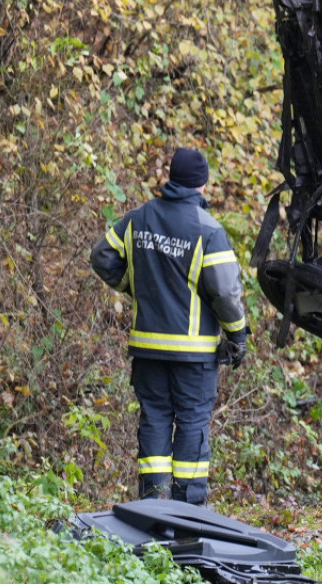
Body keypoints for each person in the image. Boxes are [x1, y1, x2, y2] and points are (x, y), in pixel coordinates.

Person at [90, 147, 248, 505]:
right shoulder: (208, 230)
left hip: (148, 349)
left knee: (155, 419)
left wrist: (134, 285)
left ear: (172, 177)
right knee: (192, 422)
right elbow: (224, 292)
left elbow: (102, 256)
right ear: (202, 184)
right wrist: (237, 334)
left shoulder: (138, 218)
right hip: (193, 355)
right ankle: (188, 509)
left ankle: (152, 505)